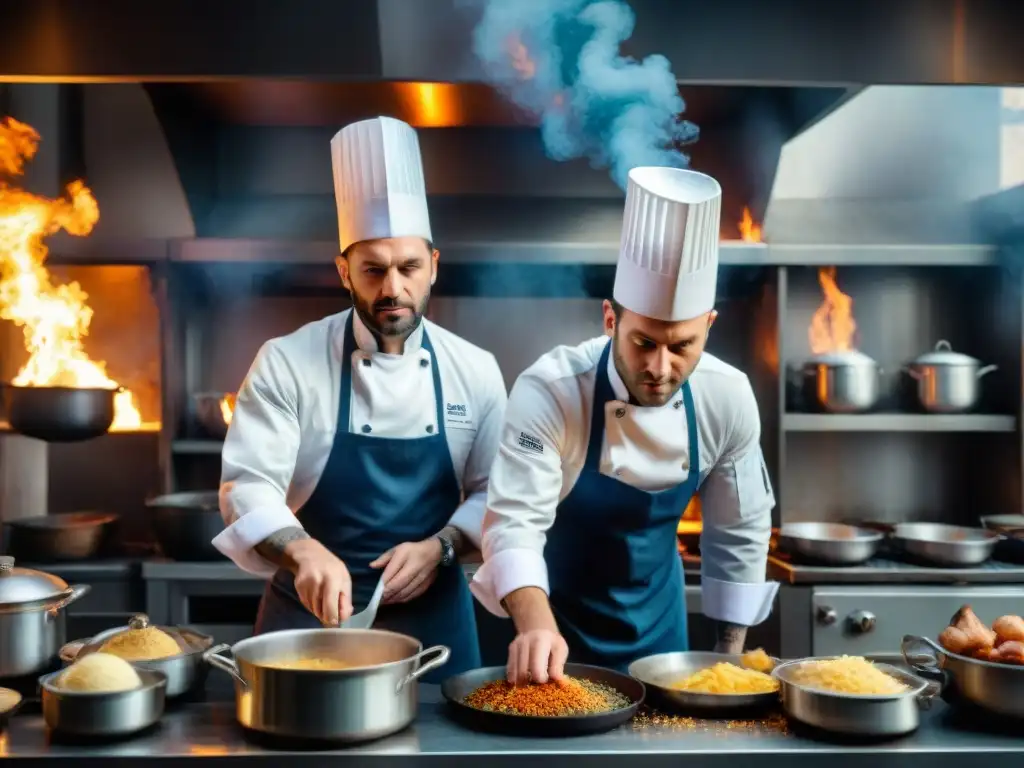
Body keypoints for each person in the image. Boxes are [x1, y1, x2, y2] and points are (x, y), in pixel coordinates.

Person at [213, 116, 507, 682]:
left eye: (409, 268)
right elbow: (247, 486)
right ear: (344, 271)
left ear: (433, 268)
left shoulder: (476, 370)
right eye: (373, 269)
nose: (392, 287)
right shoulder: (287, 361)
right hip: (306, 623)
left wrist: (442, 546)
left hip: (435, 634)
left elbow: (496, 493)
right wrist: (302, 550)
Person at [470, 167, 778, 684]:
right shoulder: (552, 390)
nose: (660, 368)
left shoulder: (728, 396)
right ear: (610, 319)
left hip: (662, 635)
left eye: (682, 347)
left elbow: (739, 529)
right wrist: (536, 627)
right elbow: (513, 523)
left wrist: (728, 659)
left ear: (709, 327)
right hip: (552, 632)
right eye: (644, 343)